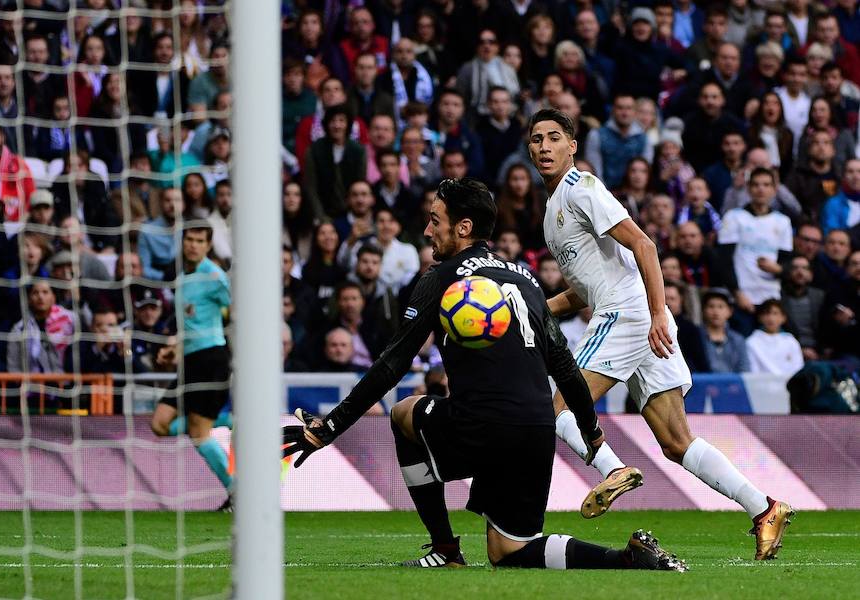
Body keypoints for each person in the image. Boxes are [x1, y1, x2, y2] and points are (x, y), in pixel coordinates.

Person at [283, 177, 686, 572]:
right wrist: (592, 432)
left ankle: (444, 547)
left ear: (463, 228)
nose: (427, 231)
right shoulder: (525, 279)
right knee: (509, 551)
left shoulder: (441, 279)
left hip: (480, 427)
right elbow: (563, 366)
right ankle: (625, 559)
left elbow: (392, 364)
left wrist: (330, 426)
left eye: (435, 221)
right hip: (535, 429)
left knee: (403, 413)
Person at [527, 108, 792, 560]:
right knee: (675, 441)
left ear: (573, 147)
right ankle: (763, 507)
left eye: (555, 137)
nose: (544, 146)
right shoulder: (553, 211)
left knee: (559, 407)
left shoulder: (582, 188)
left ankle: (611, 470)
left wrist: (653, 315)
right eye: (536, 139)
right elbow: (582, 289)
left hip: (629, 315)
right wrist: (530, 311)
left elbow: (645, 245)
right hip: (637, 316)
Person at [150, 221, 233, 510]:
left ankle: (237, 492)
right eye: (190, 240)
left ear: (208, 245)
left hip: (211, 359)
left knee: (199, 434)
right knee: (159, 423)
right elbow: (190, 326)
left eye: (200, 240)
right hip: (189, 360)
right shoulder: (183, 277)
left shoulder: (214, 275)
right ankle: (226, 421)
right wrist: (173, 349)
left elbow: (238, 306)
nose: (193, 245)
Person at [719, 168, 794, 324]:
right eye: (756, 185)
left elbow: (787, 262)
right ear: (748, 188)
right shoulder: (733, 217)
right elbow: (724, 260)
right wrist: (737, 292)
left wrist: (778, 269)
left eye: (766, 185)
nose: (761, 189)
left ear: (774, 189)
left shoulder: (783, 222)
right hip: (742, 296)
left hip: (772, 298)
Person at [6, 281, 76, 374]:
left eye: (45, 292)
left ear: (53, 297)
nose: (40, 297)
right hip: (33, 386)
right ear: (29, 299)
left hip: (65, 385)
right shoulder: (19, 329)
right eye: (35, 293)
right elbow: (13, 366)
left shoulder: (70, 320)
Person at [781, 256, 826, 360]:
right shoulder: (779, 298)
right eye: (795, 268)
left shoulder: (820, 297)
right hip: (789, 351)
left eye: (804, 268)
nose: (800, 272)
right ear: (788, 273)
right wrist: (799, 349)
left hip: (818, 351)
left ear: (811, 274)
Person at [746, 299, 805, 376]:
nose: (771, 318)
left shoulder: (791, 341)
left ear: (783, 318)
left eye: (775, 313)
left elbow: (798, 368)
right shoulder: (751, 342)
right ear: (760, 318)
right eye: (767, 313)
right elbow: (753, 372)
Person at [699, 288, 751, 373]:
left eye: (721, 306)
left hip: (733, 386)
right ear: (704, 310)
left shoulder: (738, 340)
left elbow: (744, 369)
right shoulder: (695, 337)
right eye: (711, 306)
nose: (715, 312)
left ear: (730, 311)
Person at [138, 188, 183, 280]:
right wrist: (166, 277)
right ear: (160, 203)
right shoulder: (147, 231)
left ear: (184, 204)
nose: (172, 204)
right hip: (158, 283)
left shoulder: (190, 228)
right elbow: (144, 269)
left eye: (177, 200)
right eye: (167, 200)